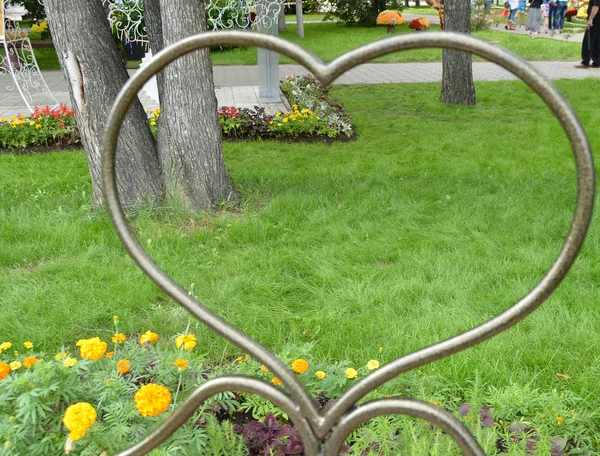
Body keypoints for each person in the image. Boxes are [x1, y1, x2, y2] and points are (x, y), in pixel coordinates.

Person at [575, 0, 600, 68]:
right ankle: (597, 61)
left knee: (588, 40)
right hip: (598, 19)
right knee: (597, 41)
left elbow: (596, 6)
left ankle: (585, 61)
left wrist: (590, 19)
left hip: (595, 19)